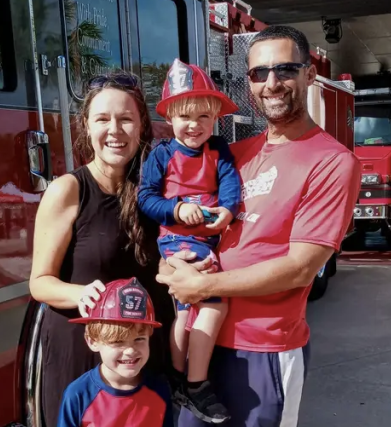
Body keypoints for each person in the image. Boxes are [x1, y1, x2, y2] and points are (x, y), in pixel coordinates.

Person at [156, 25, 362, 427]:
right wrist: (171, 268)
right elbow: (184, 228)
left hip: (264, 350)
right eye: (258, 73)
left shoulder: (332, 162)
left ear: (309, 74)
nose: (271, 83)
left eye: (285, 69)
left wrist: (205, 286)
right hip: (203, 339)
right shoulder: (232, 154)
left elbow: (301, 267)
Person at [28, 71, 176, 427]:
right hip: (82, 354)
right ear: (87, 127)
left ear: (142, 127)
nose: (115, 130)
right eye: (103, 119)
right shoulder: (68, 190)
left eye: (126, 119)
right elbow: (40, 283)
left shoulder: (159, 192)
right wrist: (82, 293)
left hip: (143, 353)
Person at [138, 58, 241, 424]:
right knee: (214, 307)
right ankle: (198, 385)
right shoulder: (162, 154)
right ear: (169, 118)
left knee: (186, 310)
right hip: (179, 240)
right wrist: (177, 210)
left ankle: (178, 377)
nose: (194, 125)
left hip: (207, 238)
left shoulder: (219, 151)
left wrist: (227, 210)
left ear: (215, 119)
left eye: (203, 117)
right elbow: (146, 198)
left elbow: (230, 185)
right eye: (185, 117)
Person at [57, 277, 174, 427]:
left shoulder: (161, 388)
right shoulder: (78, 395)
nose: (130, 351)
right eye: (118, 342)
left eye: (139, 339)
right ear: (92, 341)